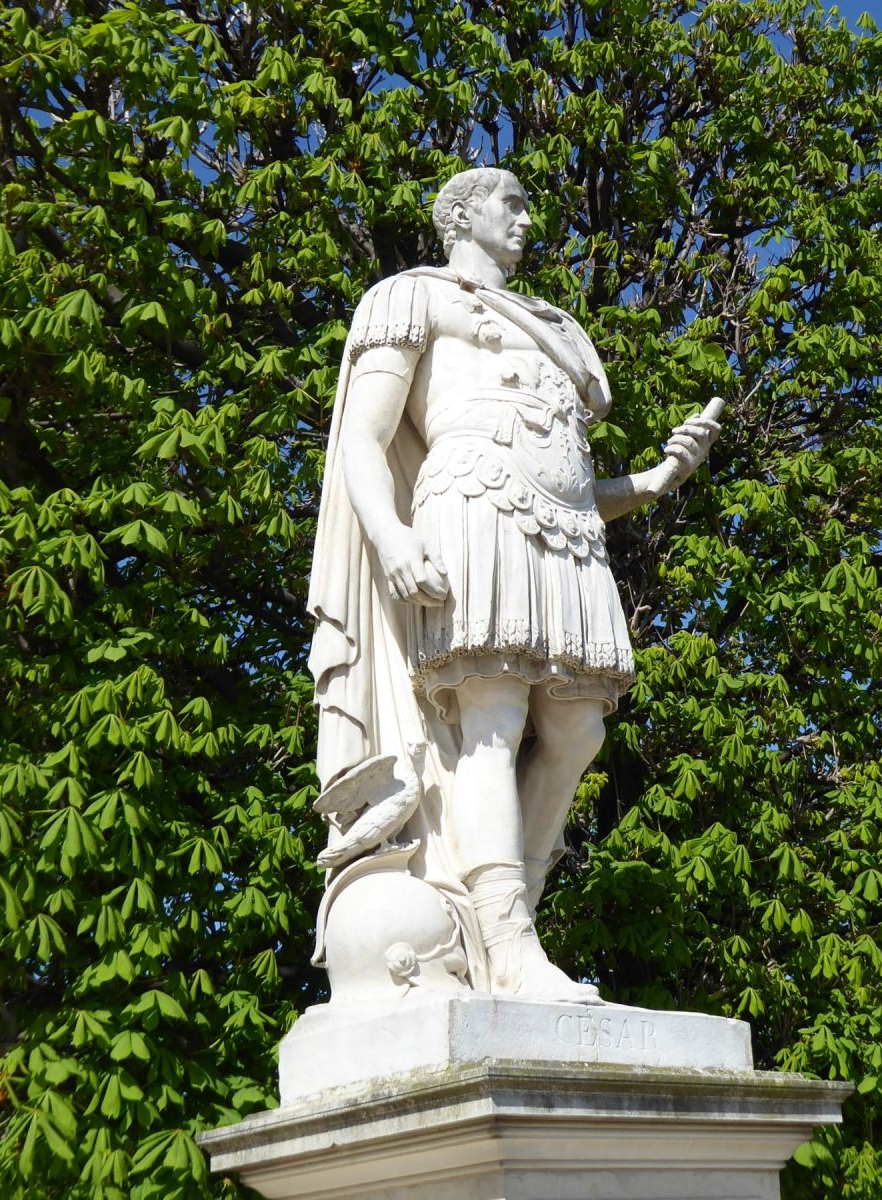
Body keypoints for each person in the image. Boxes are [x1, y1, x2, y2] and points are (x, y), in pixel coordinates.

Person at [308, 166, 721, 1002]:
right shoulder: (412, 297)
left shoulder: (556, 328)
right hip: (471, 510)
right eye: (514, 204)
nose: (529, 219)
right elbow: (364, 435)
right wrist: (388, 534)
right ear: (463, 213)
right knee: (491, 721)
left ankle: (507, 928)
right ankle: (508, 943)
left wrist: (651, 481)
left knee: (578, 733)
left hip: (563, 532)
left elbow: (570, 476)